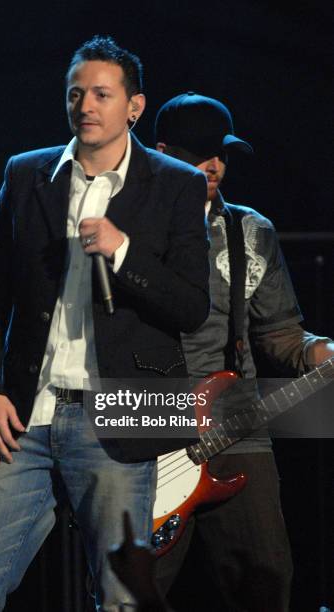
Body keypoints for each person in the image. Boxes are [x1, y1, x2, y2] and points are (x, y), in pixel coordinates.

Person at [0, 41, 210, 611]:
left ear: (133, 106)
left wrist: (123, 252)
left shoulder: (176, 183)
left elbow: (191, 307)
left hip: (120, 410)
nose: (85, 105)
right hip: (27, 415)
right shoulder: (26, 174)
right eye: (76, 94)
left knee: (120, 597)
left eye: (101, 94)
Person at [154, 92, 334, 612]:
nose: (215, 165)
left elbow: (281, 335)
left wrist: (323, 351)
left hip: (238, 421)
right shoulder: (130, 229)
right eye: (200, 153)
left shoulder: (252, 231)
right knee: (130, 593)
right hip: (149, 421)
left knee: (265, 580)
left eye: (222, 153)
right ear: (161, 151)